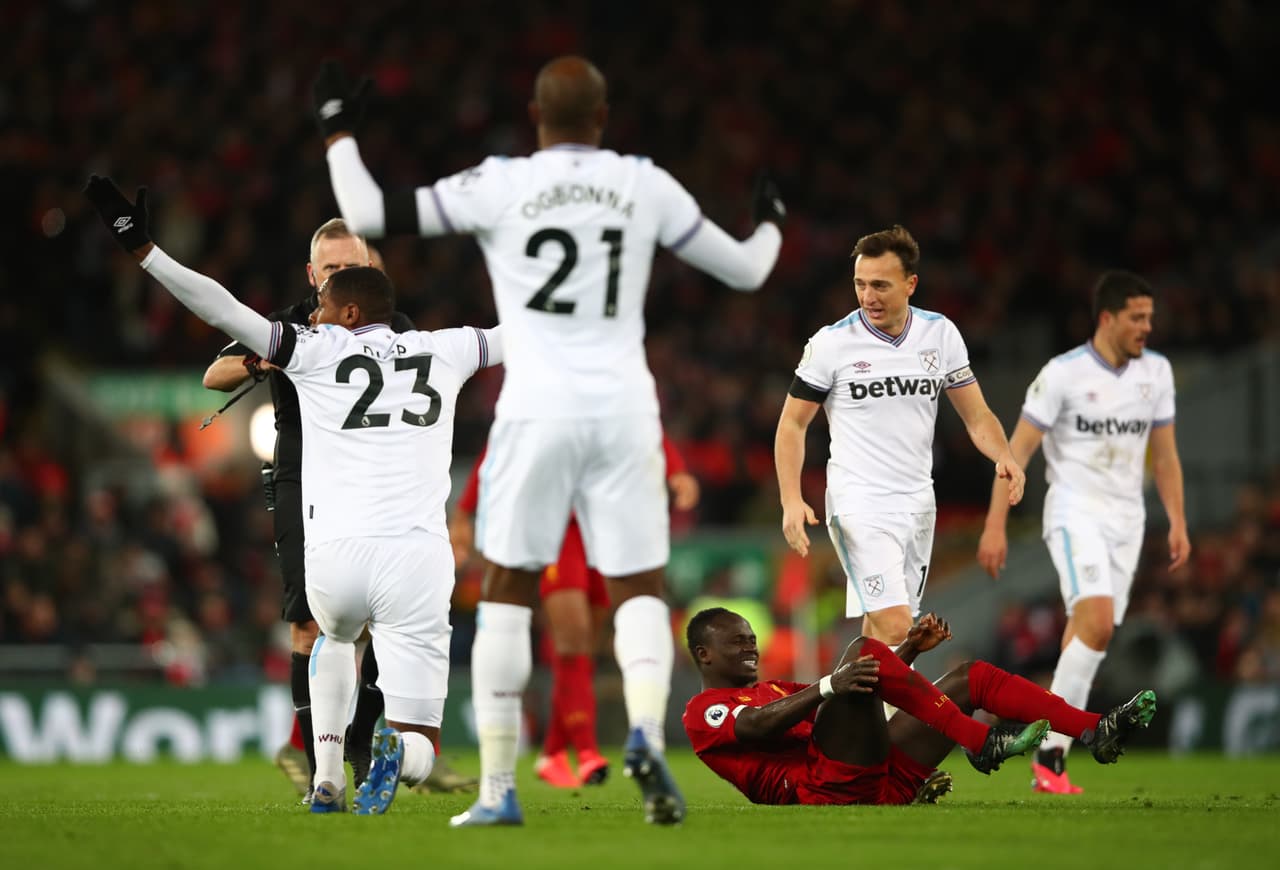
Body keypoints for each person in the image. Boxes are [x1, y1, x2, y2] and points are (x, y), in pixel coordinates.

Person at [312, 54, 785, 826]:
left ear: (535, 116)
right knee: (637, 589)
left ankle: (499, 791)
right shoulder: (644, 182)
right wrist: (771, 217)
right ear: (603, 118)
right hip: (627, 407)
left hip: (535, 407)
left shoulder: (501, 182)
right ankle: (644, 739)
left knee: (506, 595)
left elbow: (365, 209)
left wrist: (336, 126)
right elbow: (747, 269)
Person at [85, 176, 503, 815]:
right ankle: (400, 751)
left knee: (330, 638)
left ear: (351, 307)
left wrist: (146, 251)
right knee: (420, 736)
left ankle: (327, 778)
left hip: (334, 552)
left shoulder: (312, 346)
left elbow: (219, 307)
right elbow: (521, 335)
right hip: (417, 559)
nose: (322, 304)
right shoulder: (443, 347)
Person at [201, 219, 411, 802]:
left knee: (371, 621)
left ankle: (361, 743)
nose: (344, 277)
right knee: (307, 621)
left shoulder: (394, 325)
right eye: (334, 269)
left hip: (372, 481)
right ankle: (319, 758)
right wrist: (260, 362)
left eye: (354, 267)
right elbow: (213, 373)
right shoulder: (287, 326)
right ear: (313, 275)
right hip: (302, 482)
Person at [977, 270, 1188, 794]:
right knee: (1095, 623)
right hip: (1074, 511)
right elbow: (1017, 452)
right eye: (1137, 318)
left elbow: (1164, 454)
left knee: (1087, 637)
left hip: (1127, 520)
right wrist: (995, 525)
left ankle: (1048, 750)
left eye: (1150, 317)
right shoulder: (1063, 374)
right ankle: (1050, 755)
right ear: (1108, 318)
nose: (1147, 327)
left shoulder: (1156, 373)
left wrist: (1178, 519)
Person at [775, 224, 1026, 647]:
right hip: (859, 502)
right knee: (899, 629)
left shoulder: (939, 334)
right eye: (860, 284)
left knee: (880, 640)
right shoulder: (832, 345)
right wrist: (790, 499)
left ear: (911, 284)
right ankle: (926, 716)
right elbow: (792, 424)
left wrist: (1003, 455)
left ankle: (847, 712)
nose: (868, 296)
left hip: (917, 502)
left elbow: (977, 414)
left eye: (880, 285)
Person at [683, 607, 1157, 806]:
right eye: (736, 642)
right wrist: (831, 684)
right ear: (704, 654)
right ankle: (979, 741)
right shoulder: (703, 709)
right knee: (863, 648)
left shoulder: (776, 687)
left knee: (972, 677)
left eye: (751, 639)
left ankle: (1098, 728)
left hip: (871, 778)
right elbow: (756, 727)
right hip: (825, 789)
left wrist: (908, 650)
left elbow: (856, 690)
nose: (750, 647)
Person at [451, 433, 700, 788]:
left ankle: (552, 752)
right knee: (572, 637)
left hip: (602, 527)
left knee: (582, 649)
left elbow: (641, 419)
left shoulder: (609, 389)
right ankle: (586, 750)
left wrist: (675, 469)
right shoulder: (544, 387)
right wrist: (465, 509)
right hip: (557, 530)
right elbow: (505, 435)